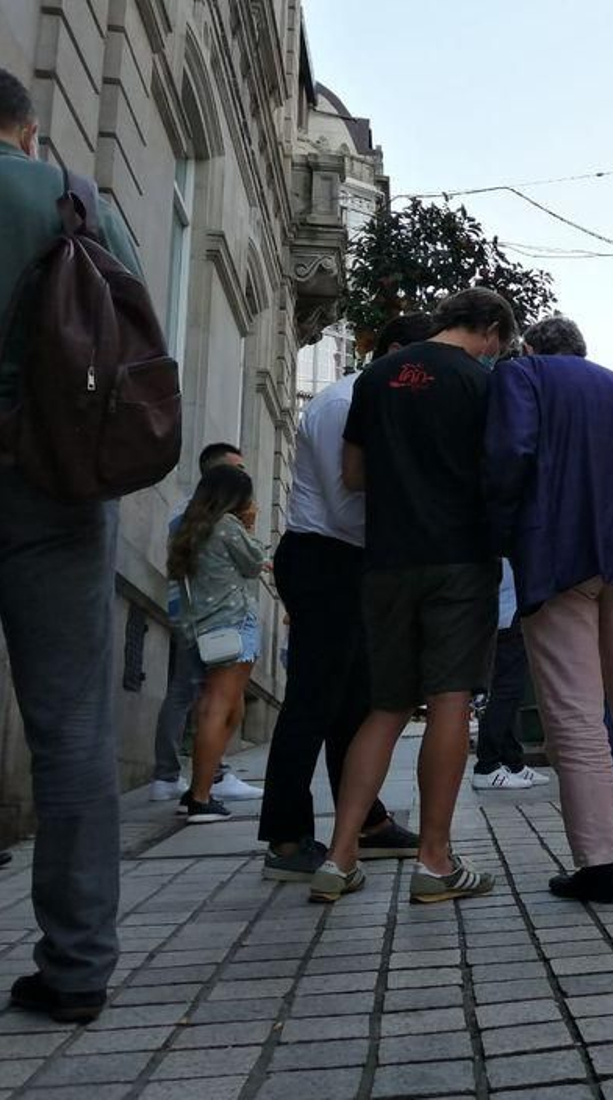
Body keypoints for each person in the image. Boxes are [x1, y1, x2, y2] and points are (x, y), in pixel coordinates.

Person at [0, 62, 141, 1021]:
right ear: (29, 131)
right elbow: (131, 346)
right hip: (58, 483)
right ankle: (76, 970)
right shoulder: (71, 198)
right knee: (74, 732)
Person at [308, 288, 516, 905]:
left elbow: (352, 473)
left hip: (388, 560)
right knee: (450, 705)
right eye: (498, 345)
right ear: (489, 331)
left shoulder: (374, 378)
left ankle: (340, 857)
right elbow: (500, 469)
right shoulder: (482, 384)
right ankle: (434, 862)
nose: (495, 354)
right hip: (460, 559)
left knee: (386, 707)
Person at [485, 315, 613, 905]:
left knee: (575, 713)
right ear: (584, 350)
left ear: (531, 347)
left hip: (557, 556)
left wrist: (506, 539)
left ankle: (600, 865)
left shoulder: (520, 376)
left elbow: (510, 455)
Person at [257, 316, 432, 880]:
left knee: (356, 701)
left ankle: (366, 821)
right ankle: (286, 839)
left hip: (352, 561)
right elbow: (343, 504)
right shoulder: (341, 406)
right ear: (398, 355)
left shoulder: (377, 403)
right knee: (313, 699)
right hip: (324, 557)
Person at [152, 442, 264, 805]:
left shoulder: (189, 524)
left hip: (198, 625)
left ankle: (203, 781)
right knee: (218, 705)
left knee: (217, 703)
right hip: (232, 624)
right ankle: (202, 793)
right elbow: (253, 561)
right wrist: (249, 525)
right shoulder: (227, 525)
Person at [471, 559, 550, 790]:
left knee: (505, 690)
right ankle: (487, 764)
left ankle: (511, 760)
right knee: (508, 690)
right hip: (509, 610)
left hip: (500, 609)